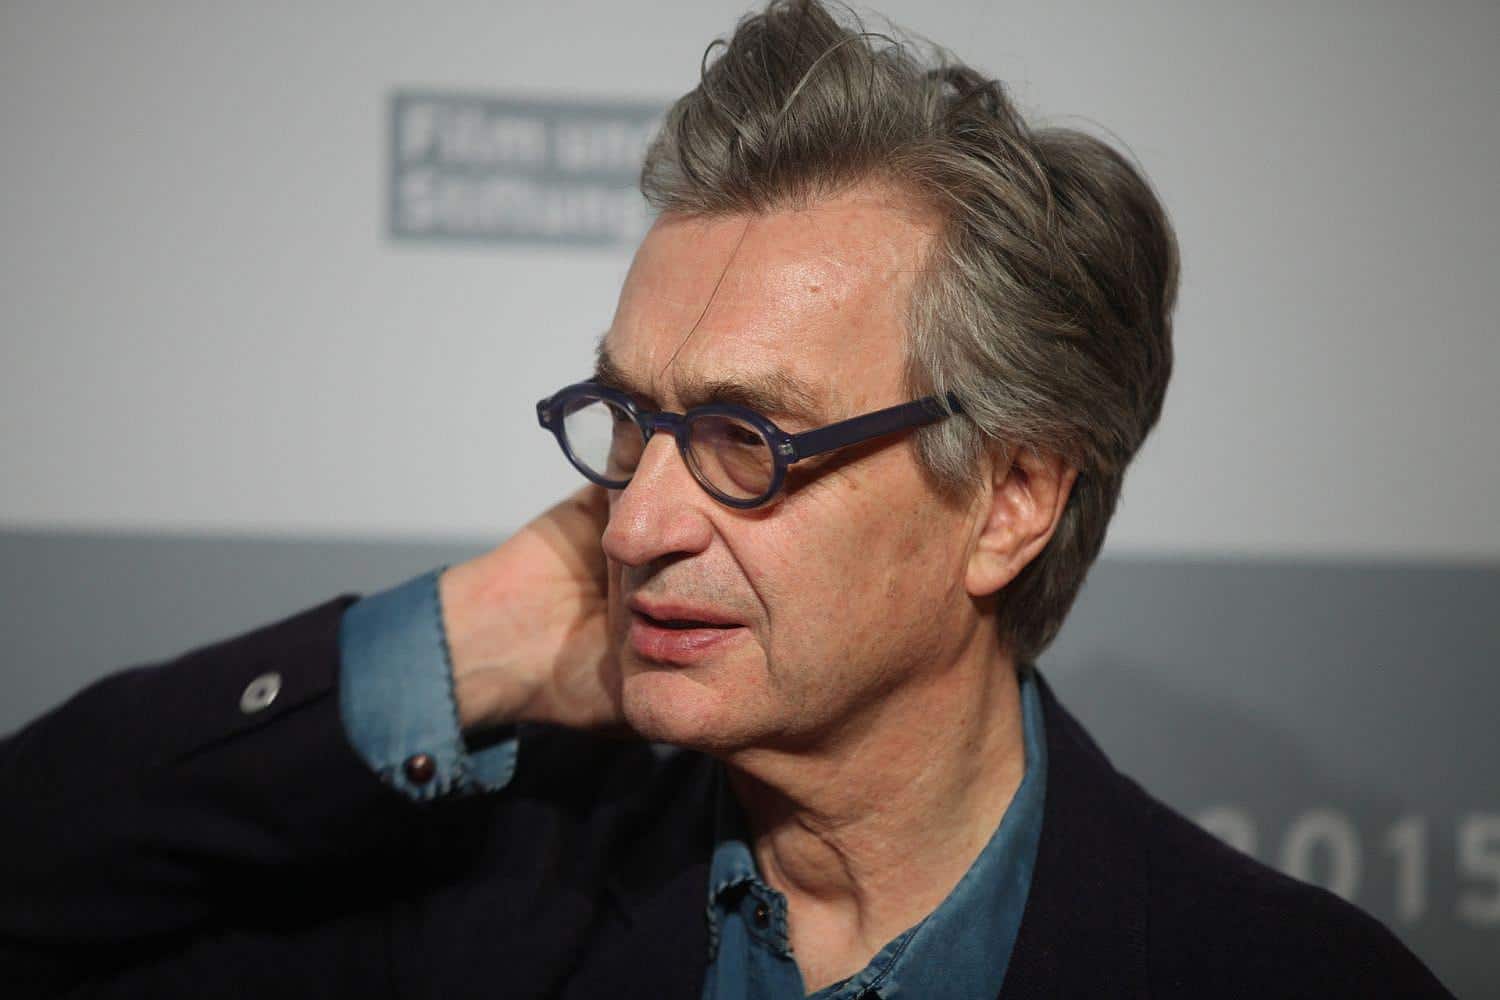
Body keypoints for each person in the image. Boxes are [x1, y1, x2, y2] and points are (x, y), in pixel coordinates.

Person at [0, 1, 1452, 997]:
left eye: (748, 438)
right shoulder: (474, 906)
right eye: (632, 421)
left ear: (1011, 497)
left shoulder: (1281, 975)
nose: (634, 528)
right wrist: (469, 639)